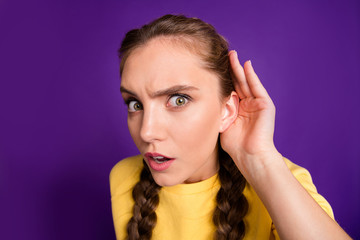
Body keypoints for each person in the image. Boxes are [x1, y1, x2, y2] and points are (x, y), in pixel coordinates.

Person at [110, 14, 351, 240]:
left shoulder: (281, 182)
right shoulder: (123, 177)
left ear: (226, 111)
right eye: (135, 103)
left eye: (178, 100)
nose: (146, 132)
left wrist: (259, 160)